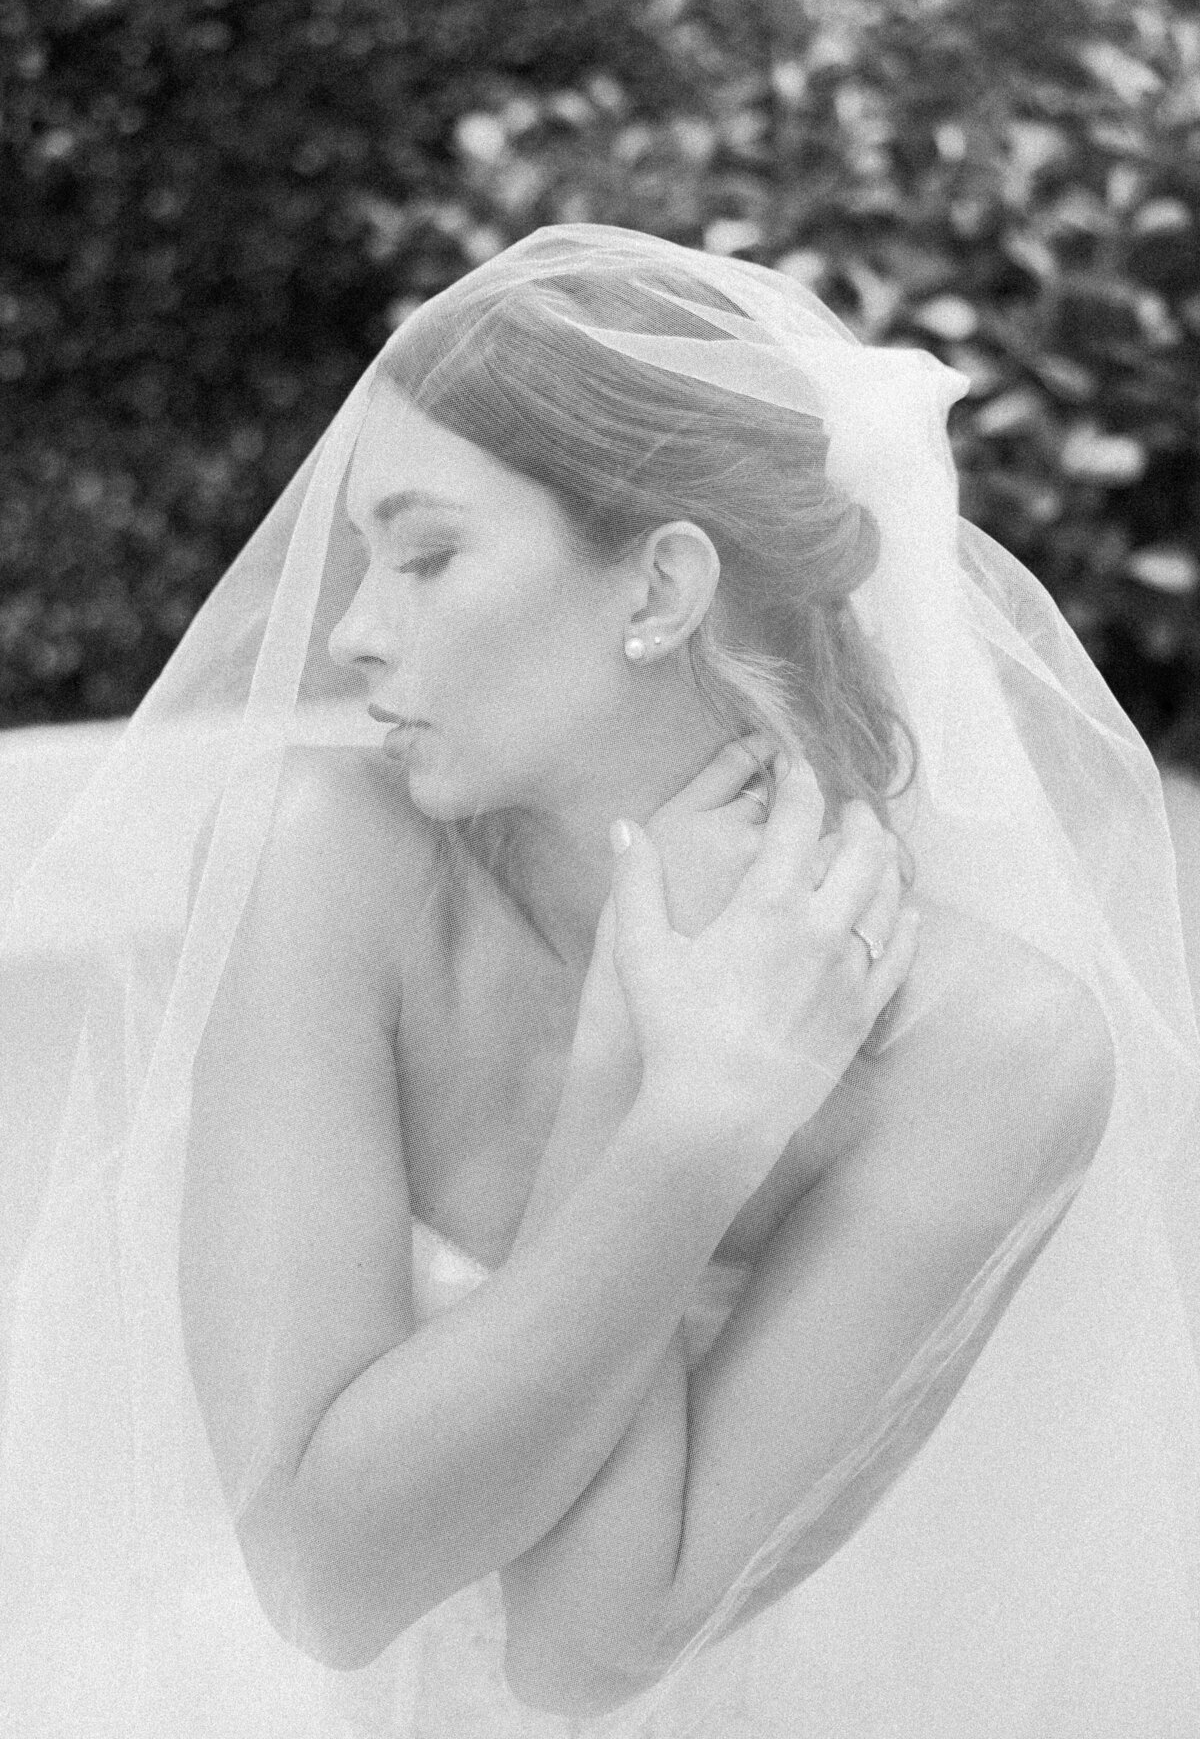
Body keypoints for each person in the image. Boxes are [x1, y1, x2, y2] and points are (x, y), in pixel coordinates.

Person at [1, 225, 1197, 1738]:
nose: (356, 634)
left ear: (664, 584)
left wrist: (674, 1114)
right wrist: (667, 1110)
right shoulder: (318, 852)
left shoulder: (998, 1054)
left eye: (428, 556)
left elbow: (579, 1656)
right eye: (366, 559)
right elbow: (325, 1583)